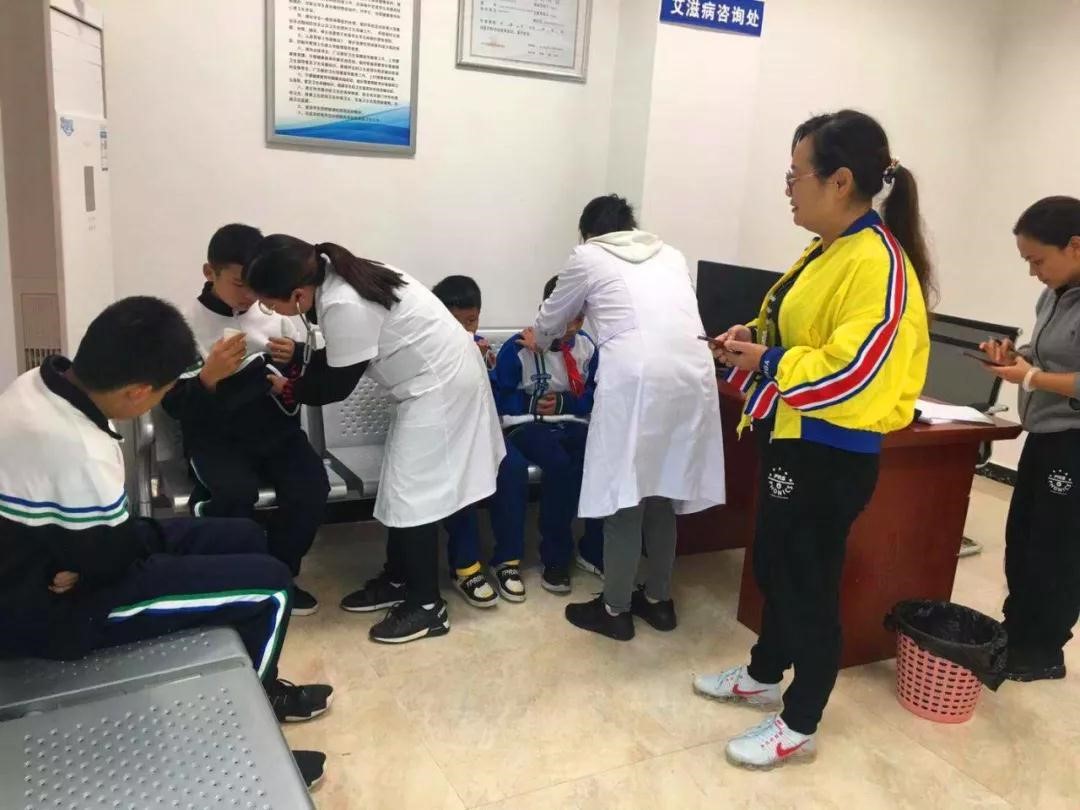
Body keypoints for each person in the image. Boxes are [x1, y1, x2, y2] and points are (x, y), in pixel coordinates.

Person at [0, 298, 332, 787]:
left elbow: (101, 545)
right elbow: (109, 564)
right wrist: (79, 564)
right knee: (272, 586)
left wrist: (77, 562)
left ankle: (249, 686)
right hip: (51, 613)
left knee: (244, 535)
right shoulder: (82, 451)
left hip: (54, 556)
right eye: (162, 391)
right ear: (138, 392)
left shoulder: (36, 382)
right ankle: (247, 740)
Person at [696, 110, 931, 769]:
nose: (788, 188)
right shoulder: (828, 248)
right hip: (794, 434)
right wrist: (752, 336)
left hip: (832, 452)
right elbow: (795, 324)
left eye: (795, 175)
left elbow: (855, 370)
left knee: (808, 580)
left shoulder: (879, 264)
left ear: (841, 180)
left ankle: (800, 721)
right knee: (775, 563)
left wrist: (767, 361)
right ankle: (763, 672)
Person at [244, 237, 505, 643]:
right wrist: (298, 355)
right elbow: (344, 354)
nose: (270, 311)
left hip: (440, 388)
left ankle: (427, 607)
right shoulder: (339, 277)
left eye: (269, 303)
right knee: (400, 490)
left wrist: (290, 387)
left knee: (414, 498)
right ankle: (399, 580)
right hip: (428, 384)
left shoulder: (343, 302)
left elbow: (334, 385)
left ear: (297, 294)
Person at [522, 194, 726, 640]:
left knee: (623, 494)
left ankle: (615, 610)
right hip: (693, 376)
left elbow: (551, 322)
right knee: (663, 491)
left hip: (636, 378)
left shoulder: (588, 255)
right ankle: (659, 601)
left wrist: (541, 337)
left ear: (588, 233)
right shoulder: (671, 255)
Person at [162, 224, 330, 616]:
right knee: (233, 494)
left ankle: (278, 572)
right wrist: (208, 377)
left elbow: (301, 378)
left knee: (311, 487)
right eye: (240, 284)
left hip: (276, 432)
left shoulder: (275, 314)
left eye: (256, 283)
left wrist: (295, 357)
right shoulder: (182, 327)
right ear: (210, 272)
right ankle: (229, 578)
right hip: (215, 438)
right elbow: (172, 405)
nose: (250, 295)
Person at [979, 195, 1080, 683]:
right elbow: (1046, 355)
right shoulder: (1056, 293)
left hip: (1074, 442)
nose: (1032, 272)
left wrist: (1031, 377)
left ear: (1075, 246)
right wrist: (1013, 356)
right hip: (1044, 433)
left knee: (1057, 546)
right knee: (1023, 537)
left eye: (1038, 260)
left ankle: (1044, 649)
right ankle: (1016, 629)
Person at [494, 275, 605, 593]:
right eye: (565, 318)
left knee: (598, 456)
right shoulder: (519, 347)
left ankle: (593, 548)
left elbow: (597, 391)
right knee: (558, 463)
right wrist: (531, 402)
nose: (571, 327)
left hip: (572, 421)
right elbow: (499, 396)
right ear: (547, 310)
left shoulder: (586, 346)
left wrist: (567, 402)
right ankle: (556, 556)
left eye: (579, 319)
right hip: (527, 423)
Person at [431, 274, 529, 607]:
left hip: (485, 433)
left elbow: (496, 399)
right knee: (462, 473)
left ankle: (507, 559)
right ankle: (465, 565)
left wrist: (486, 366)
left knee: (512, 467)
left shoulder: (481, 347)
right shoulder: (428, 350)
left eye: (471, 321)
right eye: (457, 323)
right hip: (447, 437)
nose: (466, 330)